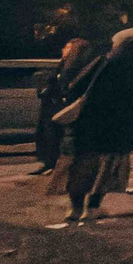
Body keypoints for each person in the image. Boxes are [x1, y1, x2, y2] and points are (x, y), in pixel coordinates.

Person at [60, 28, 133, 228]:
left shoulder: (104, 61)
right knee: (108, 166)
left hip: (90, 121)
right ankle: (93, 208)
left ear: (119, 43)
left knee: (82, 164)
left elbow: (76, 87)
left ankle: (75, 208)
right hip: (122, 122)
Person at [34, 40, 96, 174]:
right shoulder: (62, 65)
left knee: (61, 137)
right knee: (49, 135)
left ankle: (58, 164)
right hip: (52, 106)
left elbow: (68, 86)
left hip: (63, 106)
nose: (64, 49)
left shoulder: (76, 68)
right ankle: (49, 163)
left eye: (68, 47)